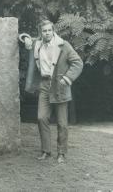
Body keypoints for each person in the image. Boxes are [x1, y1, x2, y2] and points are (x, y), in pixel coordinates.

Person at [19, 20, 83, 163]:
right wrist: (25, 38)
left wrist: (67, 78)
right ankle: (46, 151)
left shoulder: (63, 45)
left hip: (60, 86)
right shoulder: (37, 44)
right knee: (42, 118)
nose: (47, 33)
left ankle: (61, 153)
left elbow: (78, 63)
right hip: (44, 85)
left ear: (53, 31)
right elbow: (22, 37)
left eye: (49, 30)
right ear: (40, 33)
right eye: (44, 31)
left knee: (62, 123)